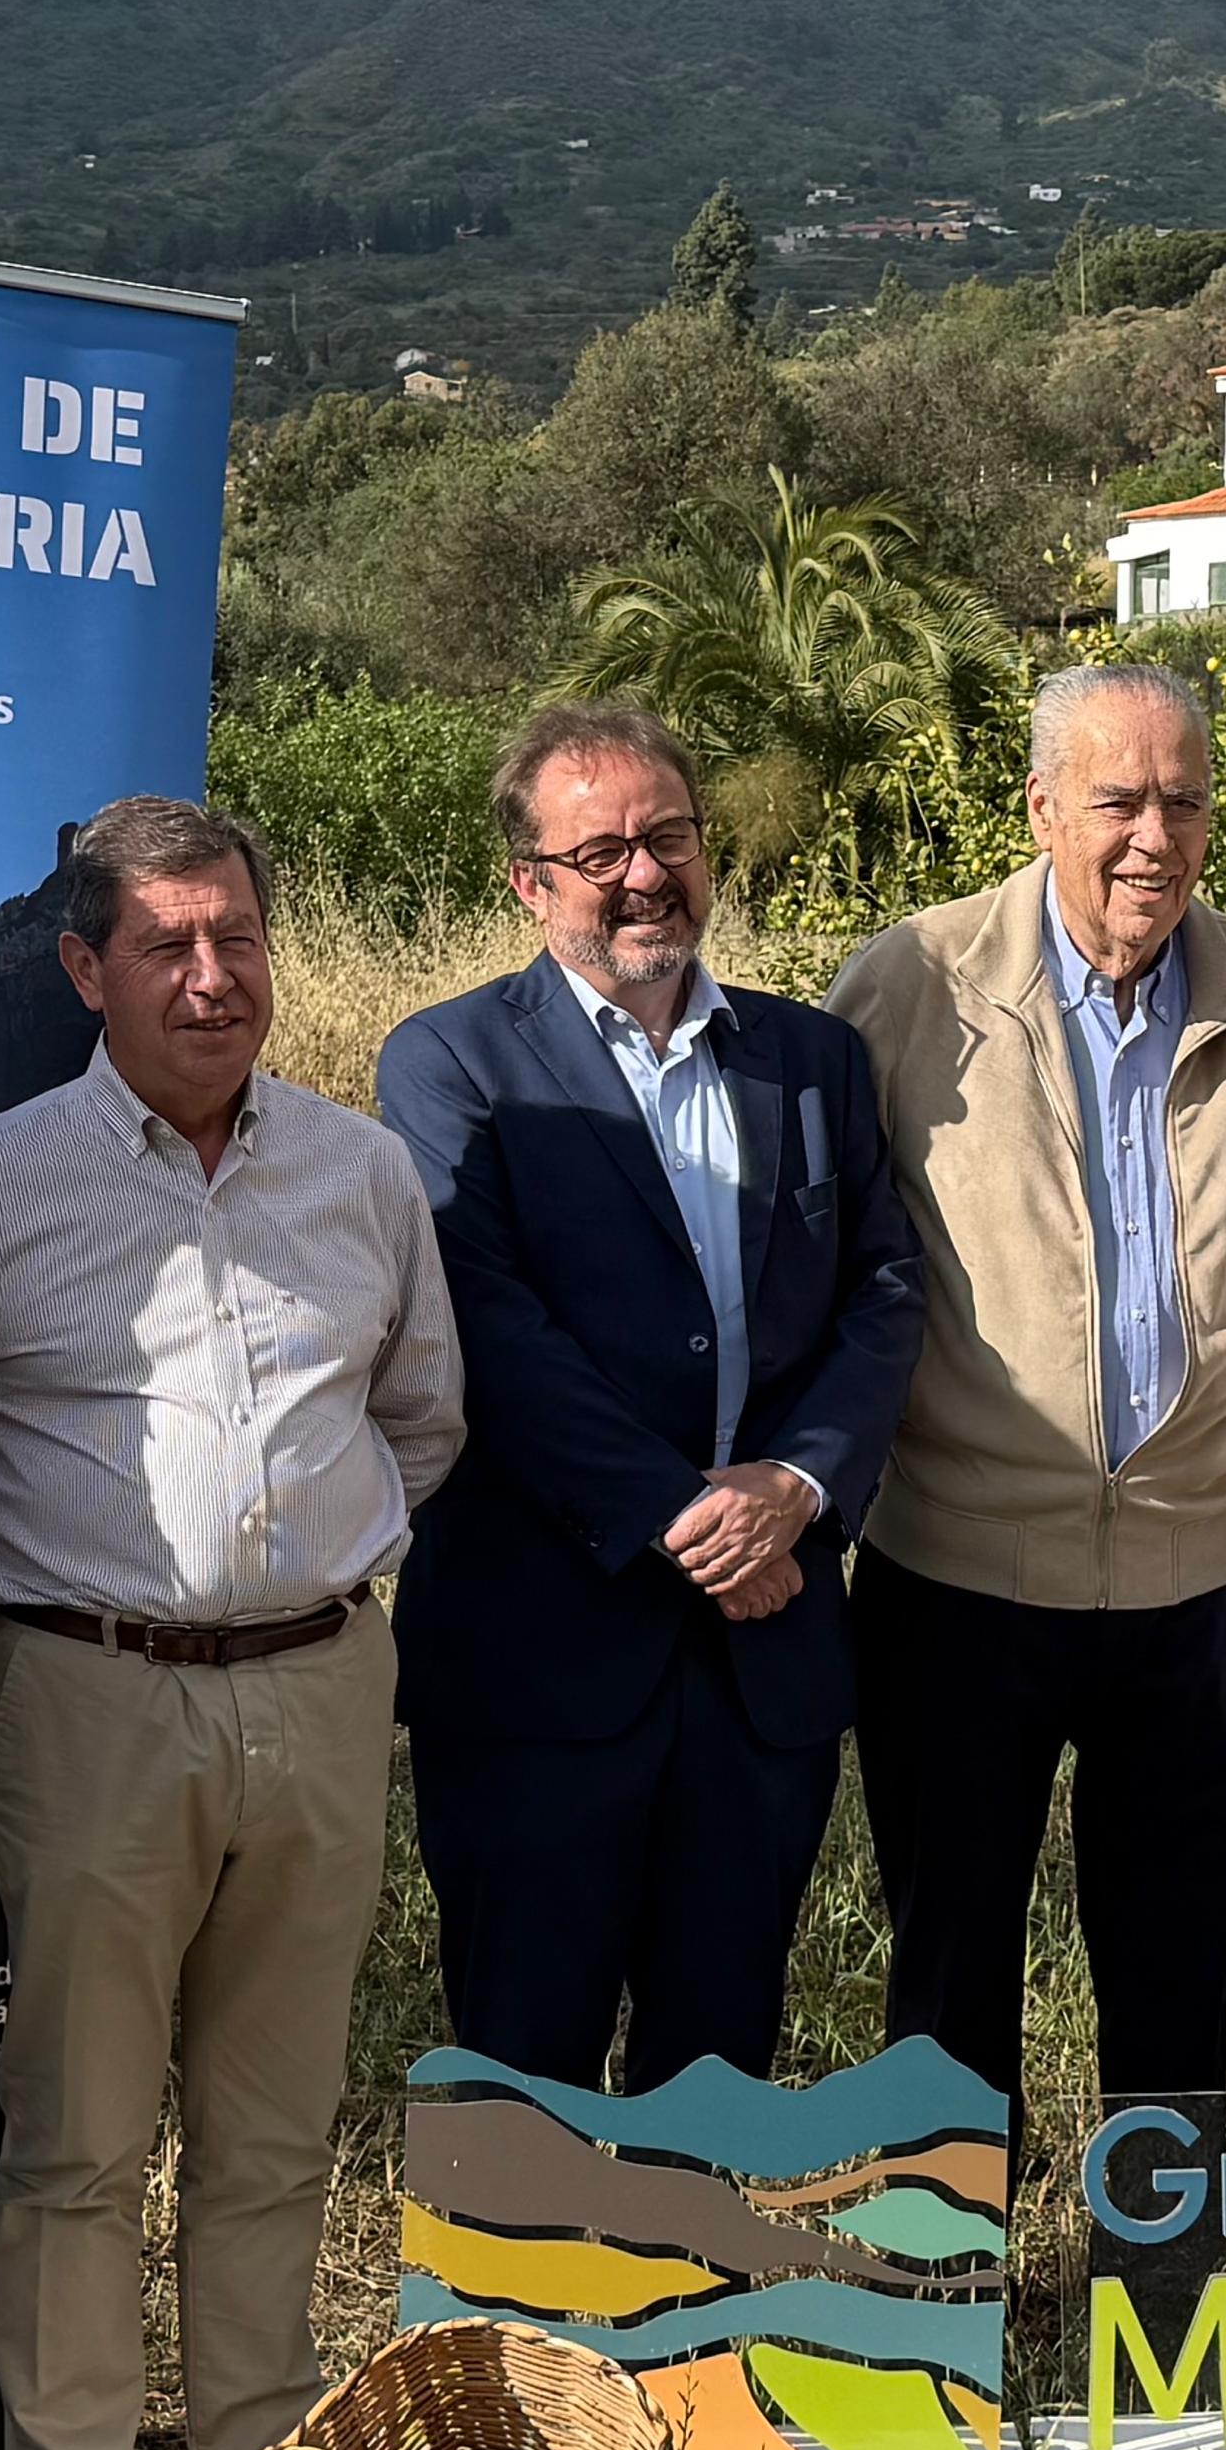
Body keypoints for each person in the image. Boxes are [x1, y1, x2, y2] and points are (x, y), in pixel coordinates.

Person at [0, 798, 464, 2450]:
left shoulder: (362, 1174)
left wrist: (297, 1577)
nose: (213, 978)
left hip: (322, 1689)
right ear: (86, 968)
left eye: (237, 937)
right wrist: (71, 1607)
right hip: (92, 1703)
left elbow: (422, 1419)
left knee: (272, 2131)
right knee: (74, 2139)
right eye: (167, 945)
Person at [377, 704, 923, 2091]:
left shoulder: (812, 1059)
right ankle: (524, 2260)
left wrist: (798, 1485)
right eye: (600, 851)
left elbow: (884, 1288)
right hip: (541, 1660)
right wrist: (696, 1525)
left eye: (668, 837)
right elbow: (488, 1327)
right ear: (530, 883)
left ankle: (690, 2257)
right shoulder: (450, 1062)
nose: (644, 875)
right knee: (524, 2077)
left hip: (762, 1667)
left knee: (718, 2071)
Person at [828, 663, 1226, 2152]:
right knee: (949, 1978)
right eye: (1119, 801)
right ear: (1042, 806)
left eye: (1184, 802)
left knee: (1175, 1979)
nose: (1154, 839)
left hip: (1198, 1575)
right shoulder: (911, 983)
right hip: (957, 1572)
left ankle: (1159, 2296)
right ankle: (941, 2292)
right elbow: (836, 1260)